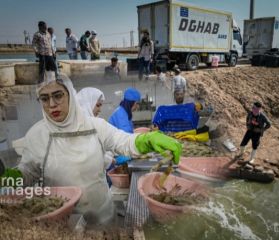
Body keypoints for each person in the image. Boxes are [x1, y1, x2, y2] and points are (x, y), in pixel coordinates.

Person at [2, 71, 181, 225]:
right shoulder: (36, 134)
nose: (51, 105)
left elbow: (124, 141)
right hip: (61, 220)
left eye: (58, 95)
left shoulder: (95, 126)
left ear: (70, 95)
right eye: (44, 98)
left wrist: (147, 140)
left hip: (103, 218)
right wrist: (9, 177)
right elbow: (28, 172)